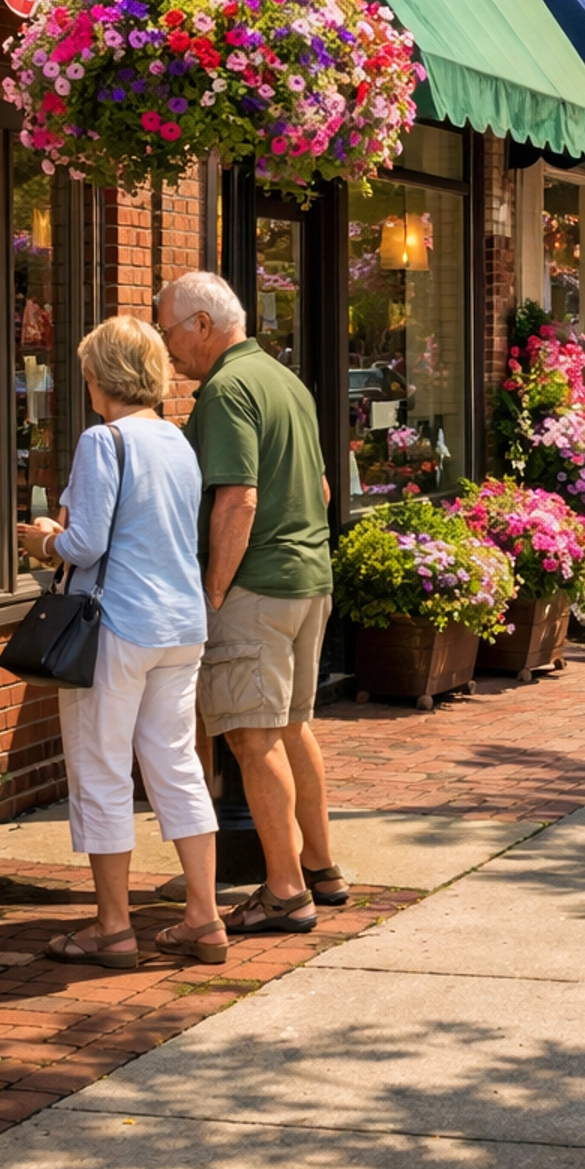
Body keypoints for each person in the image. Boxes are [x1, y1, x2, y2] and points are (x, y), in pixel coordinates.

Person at [16, 317, 224, 969]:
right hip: (181, 626)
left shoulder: (102, 441)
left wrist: (44, 538)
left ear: (99, 377)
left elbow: (86, 544)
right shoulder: (175, 441)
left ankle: (112, 928)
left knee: (101, 768)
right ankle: (205, 918)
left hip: (115, 628)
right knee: (176, 765)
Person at [156, 269, 344, 935]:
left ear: (202, 325)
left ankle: (287, 891)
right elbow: (320, 488)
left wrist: (211, 594)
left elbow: (238, 498)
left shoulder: (226, 390)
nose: (167, 347)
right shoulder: (284, 380)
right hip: (308, 578)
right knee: (292, 726)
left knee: (251, 736)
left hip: (254, 587)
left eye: (169, 330)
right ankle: (321, 863)